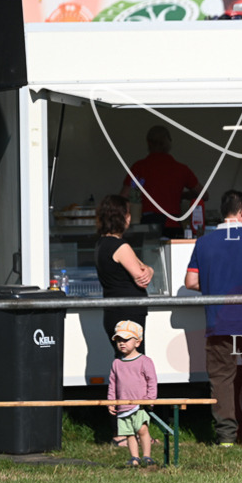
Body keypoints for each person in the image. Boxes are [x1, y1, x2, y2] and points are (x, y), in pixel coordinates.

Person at [184, 190, 242, 447]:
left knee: (221, 378)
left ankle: (225, 437)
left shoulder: (204, 242)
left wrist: (216, 284)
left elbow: (191, 281)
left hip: (218, 320)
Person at [120, 124, 204, 239]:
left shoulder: (139, 167)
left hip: (147, 225)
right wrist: (182, 196)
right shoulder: (180, 169)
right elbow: (203, 194)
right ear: (168, 143)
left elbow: (123, 197)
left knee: (147, 256)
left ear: (148, 143)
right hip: (173, 225)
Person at [95, 194, 153, 358]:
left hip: (113, 310)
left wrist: (147, 269)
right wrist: (149, 270)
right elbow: (142, 277)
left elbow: (143, 268)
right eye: (127, 213)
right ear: (121, 217)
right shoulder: (121, 247)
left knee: (123, 361)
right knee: (134, 362)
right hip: (129, 312)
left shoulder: (101, 244)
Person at [107, 320, 158, 467]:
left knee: (142, 429)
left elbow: (152, 381)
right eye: (119, 340)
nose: (122, 343)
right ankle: (134, 457)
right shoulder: (116, 363)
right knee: (129, 433)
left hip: (139, 405)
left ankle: (147, 456)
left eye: (126, 340)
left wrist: (150, 399)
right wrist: (111, 401)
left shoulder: (144, 361)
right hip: (123, 405)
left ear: (137, 342)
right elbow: (113, 384)